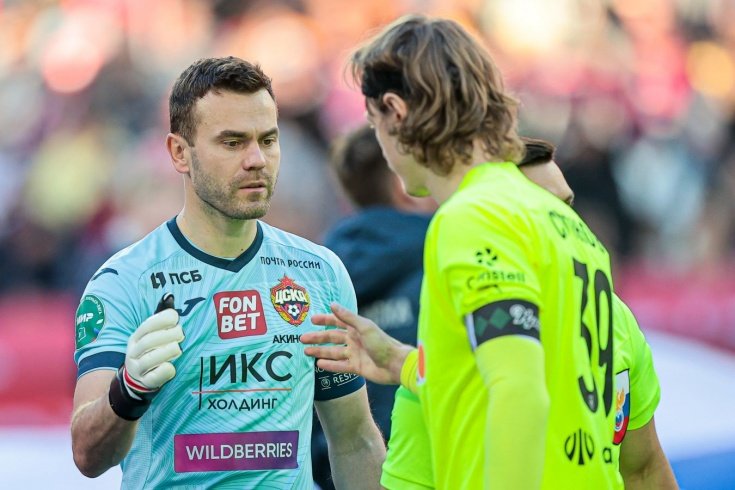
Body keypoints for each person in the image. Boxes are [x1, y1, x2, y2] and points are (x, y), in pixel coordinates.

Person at [300, 14, 650, 488]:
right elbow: (527, 370)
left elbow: (519, 388)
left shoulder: (472, 217)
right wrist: (403, 363)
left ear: (396, 112)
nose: (380, 143)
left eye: (374, 123)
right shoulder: (562, 221)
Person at [70, 56, 385, 489]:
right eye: (233, 142)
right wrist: (127, 391)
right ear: (179, 153)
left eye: (268, 140)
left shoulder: (319, 273)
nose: (257, 159)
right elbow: (87, 456)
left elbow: (354, 441)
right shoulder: (125, 281)